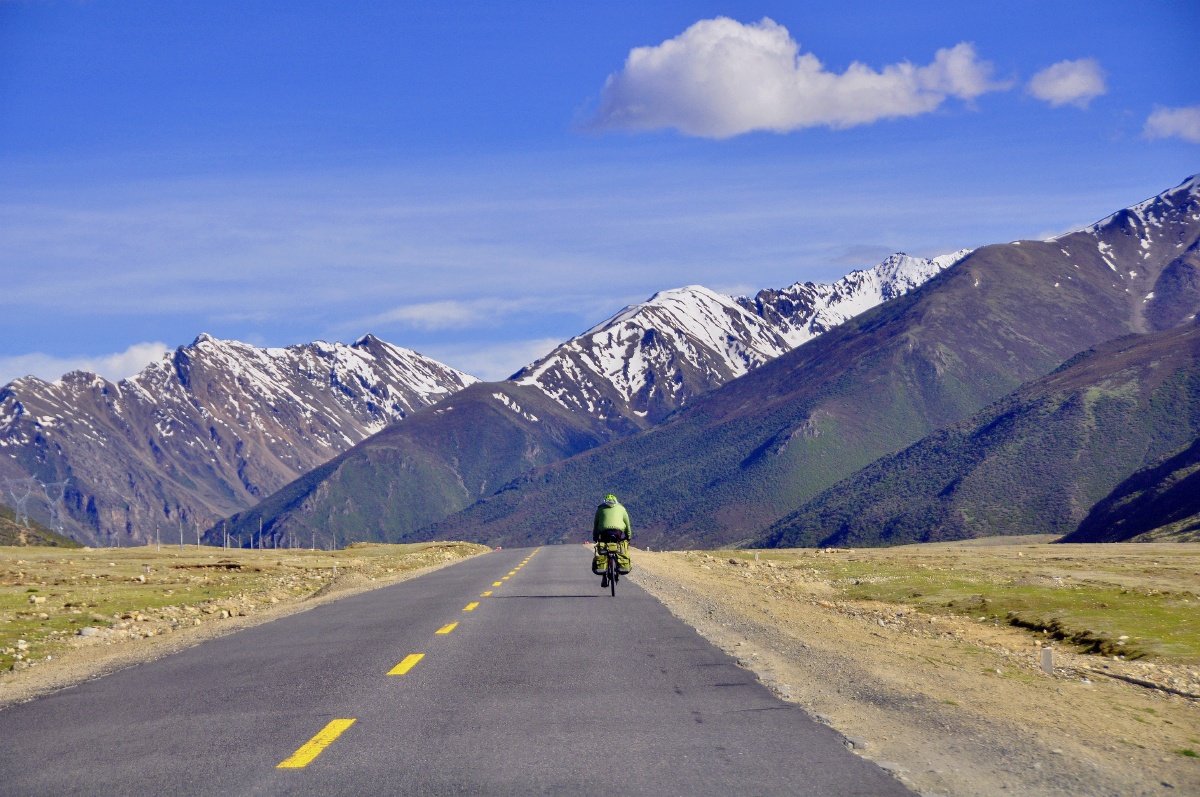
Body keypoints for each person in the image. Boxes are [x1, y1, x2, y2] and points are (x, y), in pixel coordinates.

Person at [592, 493, 631, 587]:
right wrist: (628, 536)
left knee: (605, 550)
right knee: (617, 547)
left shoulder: (600, 509)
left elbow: (596, 525)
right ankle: (618, 564)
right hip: (618, 533)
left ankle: (604, 576)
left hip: (604, 533)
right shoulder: (621, 509)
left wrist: (595, 537)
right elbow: (627, 524)